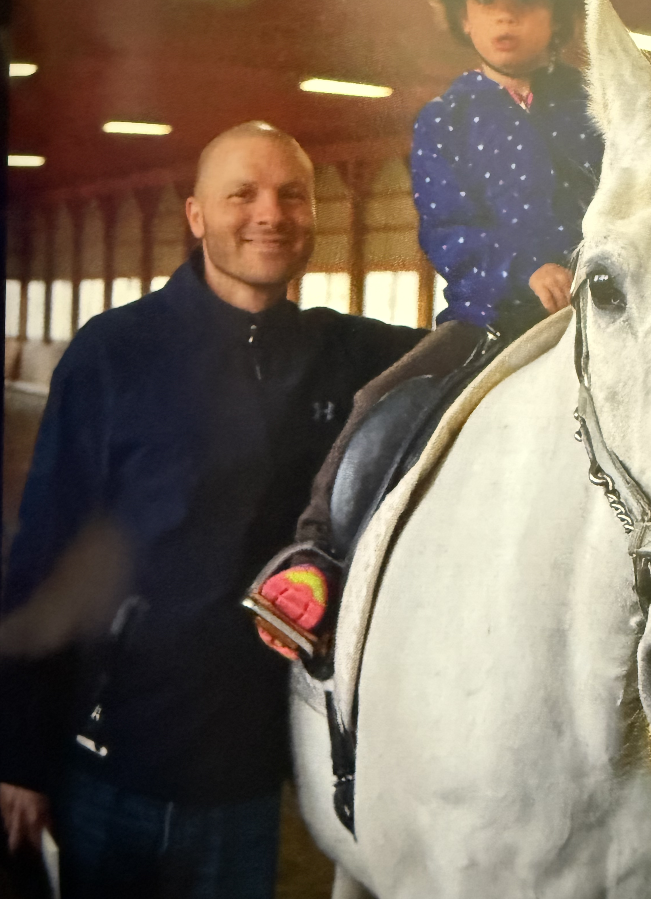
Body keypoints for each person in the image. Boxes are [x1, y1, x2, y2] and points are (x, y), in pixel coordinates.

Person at [0, 122, 425, 899]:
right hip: (111, 759)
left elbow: (470, 351)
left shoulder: (348, 355)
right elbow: (43, 557)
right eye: (243, 195)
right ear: (196, 216)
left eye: (291, 195)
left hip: (244, 778)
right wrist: (18, 759)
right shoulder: (113, 354)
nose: (270, 213)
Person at [256, 0, 604, 655]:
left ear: (557, 14)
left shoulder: (596, 105)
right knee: (379, 400)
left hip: (596, 316)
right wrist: (522, 270)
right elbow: (448, 229)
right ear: (461, 13)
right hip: (489, 319)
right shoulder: (445, 120)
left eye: (524, 2)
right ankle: (320, 554)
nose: (505, 19)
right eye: (487, 2)